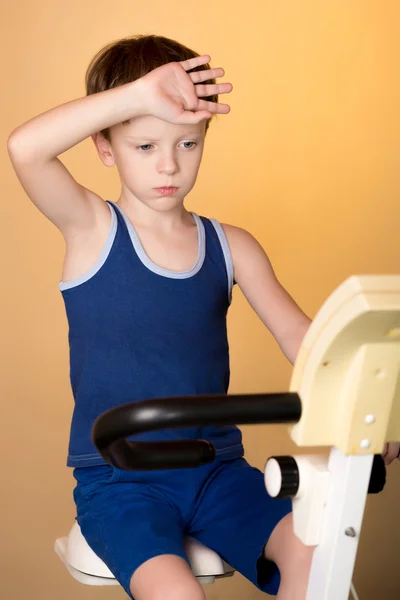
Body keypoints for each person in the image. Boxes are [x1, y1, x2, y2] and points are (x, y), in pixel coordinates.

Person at [7, 34, 399, 600]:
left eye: (187, 144)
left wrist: (371, 407)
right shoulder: (91, 229)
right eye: (144, 145)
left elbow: (304, 340)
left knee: (319, 557)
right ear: (105, 146)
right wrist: (140, 94)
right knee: (177, 593)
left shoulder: (231, 245)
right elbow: (26, 149)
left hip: (218, 470)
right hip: (121, 480)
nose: (169, 164)